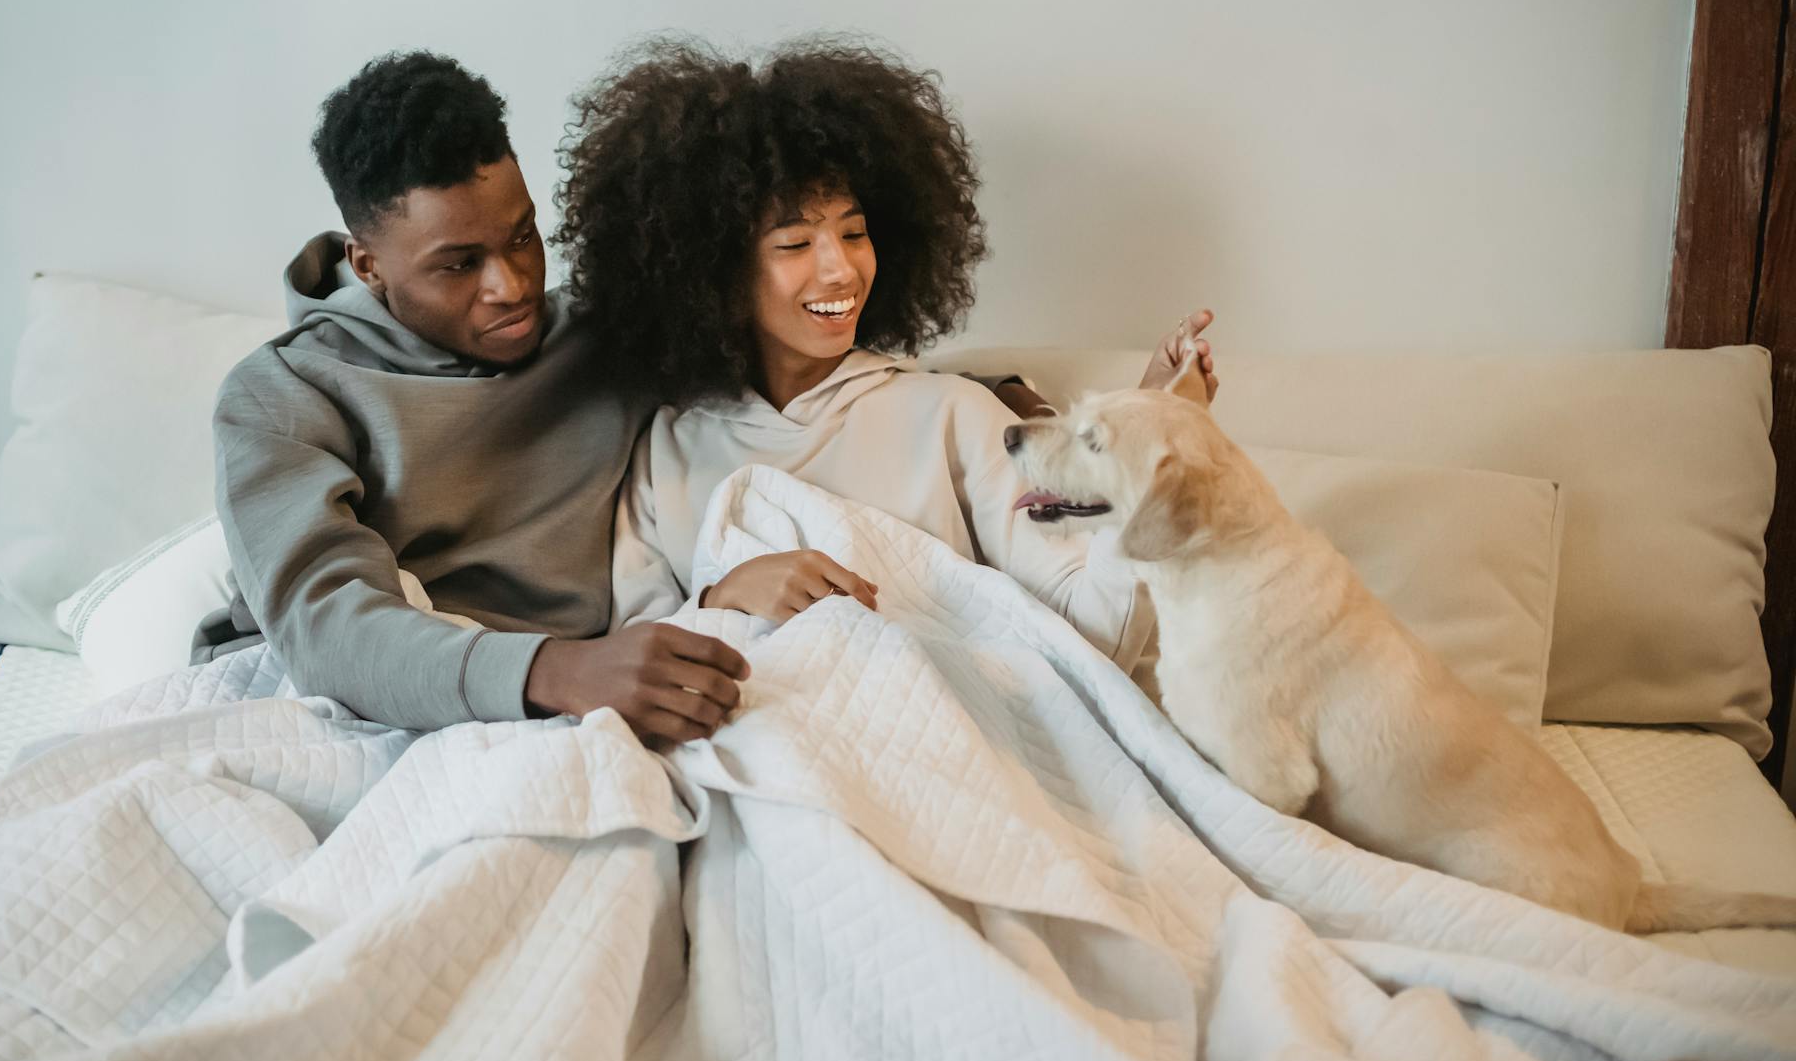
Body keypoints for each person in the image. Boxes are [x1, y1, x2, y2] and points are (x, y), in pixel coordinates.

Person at [556, 39, 1215, 661]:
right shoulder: (666, 449)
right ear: (716, 274)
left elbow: (1096, 635)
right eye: (795, 245)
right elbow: (635, 668)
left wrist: (1143, 441)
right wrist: (723, 596)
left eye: (854, 234)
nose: (840, 270)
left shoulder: (956, 417)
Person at [200, 51, 751, 742]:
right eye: (459, 264)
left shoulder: (605, 336)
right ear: (367, 264)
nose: (512, 284)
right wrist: (560, 672)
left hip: (588, 687)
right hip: (365, 696)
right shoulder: (283, 393)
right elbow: (325, 626)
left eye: (522, 236)